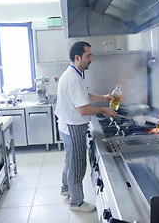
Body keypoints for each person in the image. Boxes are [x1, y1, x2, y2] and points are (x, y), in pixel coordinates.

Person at [55, 41, 117, 212]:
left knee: (70, 159)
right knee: (77, 164)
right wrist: (104, 109)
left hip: (67, 124)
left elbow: (83, 95)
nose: (91, 59)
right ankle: (76, 202)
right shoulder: (74, 78)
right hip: (73, 126)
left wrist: (103, 98)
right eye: (88, 56)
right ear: (77, 57)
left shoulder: (75, 73)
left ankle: (65, 188)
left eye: (91, 55)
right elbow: (83, 109)